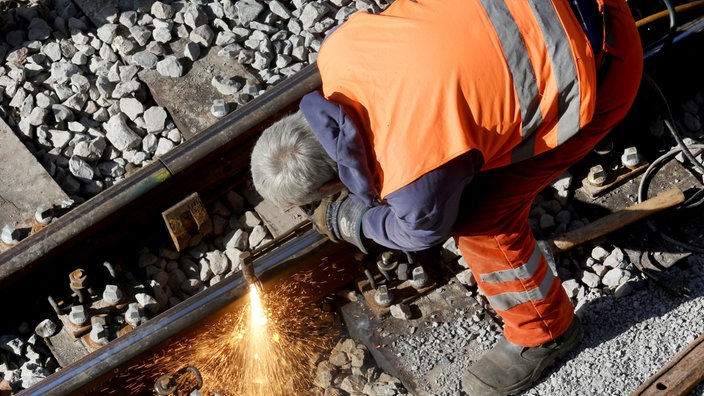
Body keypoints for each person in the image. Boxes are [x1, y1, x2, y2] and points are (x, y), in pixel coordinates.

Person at [250, 0, 643, 393]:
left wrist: (354, 220)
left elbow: (422, 230)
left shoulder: (410, 174)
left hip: (607, 62)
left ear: (324, 189)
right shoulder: (339, 49)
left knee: (480, 220)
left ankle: (546, 332)